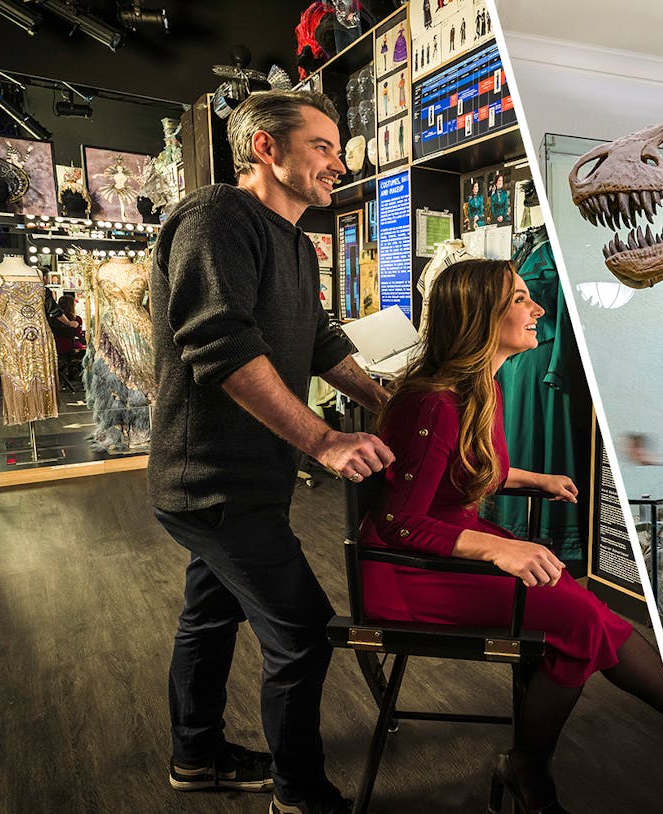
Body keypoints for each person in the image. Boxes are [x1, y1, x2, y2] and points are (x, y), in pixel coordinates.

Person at [150, 89, 394, 814]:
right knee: (304, 635)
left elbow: (318, 340)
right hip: (213, 482)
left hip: (252, 479)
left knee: (209, 615)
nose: (339, 164)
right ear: (266, 147)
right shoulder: (216, 217)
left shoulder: (293, 241)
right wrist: (323, 438)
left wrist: (386, 400)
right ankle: (300, 794)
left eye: (337, 150)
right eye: (322, 147)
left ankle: (196, 757)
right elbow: (219, 344)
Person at [357, 259, 663, 814]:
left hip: (448, 543)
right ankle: (529, 765)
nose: (539, 309)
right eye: (521, 299)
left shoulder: (481, 388)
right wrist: (500, 547)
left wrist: (533, 479)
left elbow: (463, 470)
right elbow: (400, 523)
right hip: (407, 569)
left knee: (586, 613)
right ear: (481, 316)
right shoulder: (433, 402)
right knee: (582, 618)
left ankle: (538, 761)